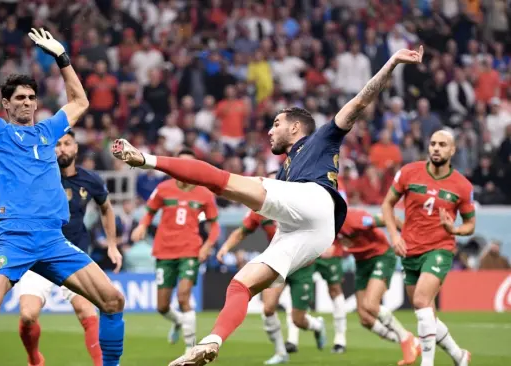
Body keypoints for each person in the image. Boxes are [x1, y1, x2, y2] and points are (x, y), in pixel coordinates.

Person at [113, 46, 424, 366]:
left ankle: (146, 159)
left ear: (294, 127)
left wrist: (392, 63)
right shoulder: (285, 170)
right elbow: (257, 215)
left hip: (316, 199)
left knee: (222, 181)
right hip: (314, 232)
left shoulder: (322, 137)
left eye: (276, 123)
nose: (269, 130)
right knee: (241, 285)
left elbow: (360, 101)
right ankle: (211, 341)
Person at [0, 14, 125, 366]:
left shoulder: (48, 132)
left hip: (54, 241)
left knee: (113, 302)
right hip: (13, 238)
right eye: (19, 98)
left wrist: (63, 59)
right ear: (6, 105)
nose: (26, 102)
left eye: (31, 97)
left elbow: (81, 102)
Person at [18, 131, 119, 366]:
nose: (62, 148)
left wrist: (112, 245)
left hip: (74, 256)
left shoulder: (90, 180)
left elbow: (106, 208)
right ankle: (35, 359)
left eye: (67, 144)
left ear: (76, 148)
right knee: (27, 315)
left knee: (88, 312)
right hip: (39, 256)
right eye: (57, 144)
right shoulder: (38, 176)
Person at [382, 130, 474, 366]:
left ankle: (428, 363)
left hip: (440, 248)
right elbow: (387, 205)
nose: (436, 148)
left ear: (452, 150)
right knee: (426, 313)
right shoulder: (409, 172)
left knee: (422, 301)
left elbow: (470, 224)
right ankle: (459, 356)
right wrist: (394, 235)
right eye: (433, 143)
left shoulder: (462, 186)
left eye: (442, 145)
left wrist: (454, 230)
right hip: (410, 250)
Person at [217, 173, 324, 365]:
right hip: (278, 262)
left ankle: (316, 326)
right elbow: (241, 231)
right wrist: (225, 247)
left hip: (302, 266)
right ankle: (281, 353)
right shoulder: (261, 209)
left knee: (298, 319)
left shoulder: (300, 203)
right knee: (268, 308)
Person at [131, 148, 220, 352]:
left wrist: (207, 245)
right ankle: (179, 321)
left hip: (190, 250)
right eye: (181, 164)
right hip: (164, 251)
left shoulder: (204, 193)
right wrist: (143, 225)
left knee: (183, 297)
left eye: (189, 165)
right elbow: (149, 212)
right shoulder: (163, 189)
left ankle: (191, 350)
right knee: (162, 307)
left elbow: (214, 225)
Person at [337, 208, 420, 364]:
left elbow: (391, 219)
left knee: (370, 304)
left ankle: (406, 338)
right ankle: (412, 342)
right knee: (365, 318)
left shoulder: (354, 218)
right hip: (361, 262)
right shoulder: (325, 226)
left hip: (381, 256)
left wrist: (409, 239)